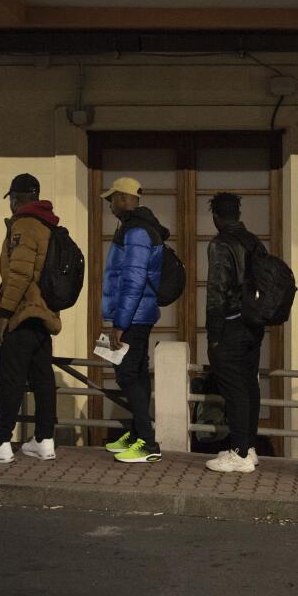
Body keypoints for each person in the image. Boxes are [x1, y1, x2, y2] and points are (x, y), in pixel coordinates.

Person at [0, 174, 61, 464]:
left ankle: (0, 441)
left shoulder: (24, 225)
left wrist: (4, 315)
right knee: (43, 378)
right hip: (44, 314)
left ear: (16, 197)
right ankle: (44, 439)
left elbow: (18, 274)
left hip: (22, 312)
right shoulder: (49, 224)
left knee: (11, 378)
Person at [99, 177, 169, 464]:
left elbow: (134, 280)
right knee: (137, 373)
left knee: (127, 375)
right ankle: (137, 432)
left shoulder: (137, 231)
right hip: (138, 314)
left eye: (112, 199)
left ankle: (147, 443)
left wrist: (120, 323)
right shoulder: (136, 227)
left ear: (125, 199)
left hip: (133, 316)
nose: (109, 205)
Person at [204, 192, 265, 474]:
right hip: (254, 323)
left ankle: (238, 452)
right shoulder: (254, 242)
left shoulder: (221, 244)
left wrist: (213, 335)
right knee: (249, 384)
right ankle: (249, 447)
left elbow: (216, 292)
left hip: (230, 324)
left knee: (234, 388)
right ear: (238, 214)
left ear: (216, 216)